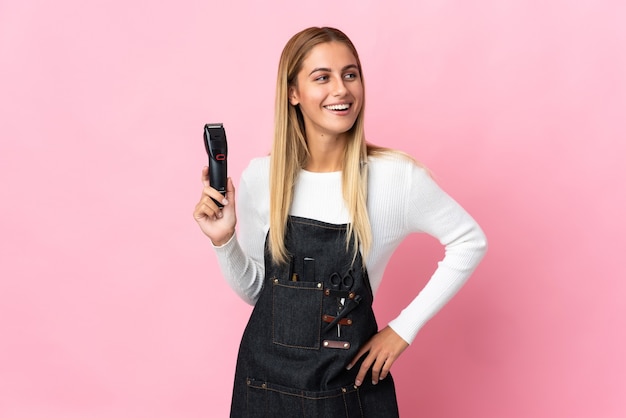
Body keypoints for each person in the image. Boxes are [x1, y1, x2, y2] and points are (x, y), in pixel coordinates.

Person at [193, 26, 487, 418]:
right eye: (322, 77)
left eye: (350, 74)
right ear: (293, 93)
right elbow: (260, 294)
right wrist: (223, 240)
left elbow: (470, 241)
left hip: (345, 396)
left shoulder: (395, 179)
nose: (342, 90)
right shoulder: (261, 178)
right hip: (263, 390)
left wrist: (402, 330)